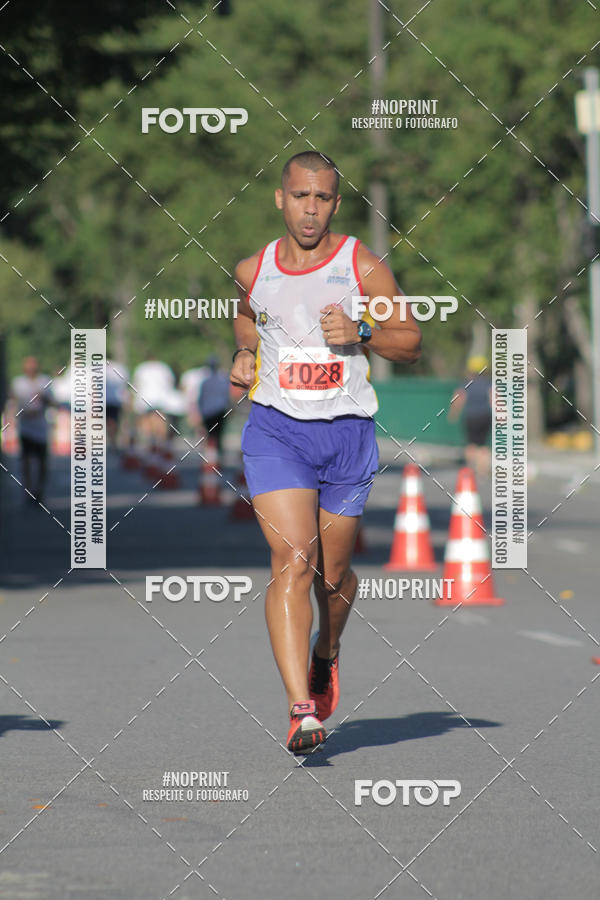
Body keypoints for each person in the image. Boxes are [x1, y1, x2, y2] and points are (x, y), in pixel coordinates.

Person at [229, 151, 421, 754]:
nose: (310, 209)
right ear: (279, 198)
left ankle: (327, 651)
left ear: (336, 203)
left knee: (331, 578)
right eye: (300, 196)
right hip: (276, 430)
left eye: (323, 198)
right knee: (292, 561)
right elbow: (245, 318)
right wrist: (244, 353)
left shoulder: (361, 266)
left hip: (346, 434)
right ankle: (300, 710)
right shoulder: (251, 268)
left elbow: (411, 342)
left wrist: (362, 332)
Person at [9, 356, 54, 504]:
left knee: (42, 461)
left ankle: (39, 490)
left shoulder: (44, 381)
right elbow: (13, 401)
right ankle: (28, 490)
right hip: (25, 427)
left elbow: (52, 402)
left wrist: (44, 398)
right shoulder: (18, 383)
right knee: (26, 460)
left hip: (41, 428)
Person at [448, 355, 493, 478]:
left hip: (471, 416)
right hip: (485, 416)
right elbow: (493, 399)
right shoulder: (488, 384)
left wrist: (453, 413)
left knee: (471, 444)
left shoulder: (465, 384)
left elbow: (459, 398)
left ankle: (471, 468)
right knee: (483, 445)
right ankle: (483, 470)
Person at [197, 356, 231, 454]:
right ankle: (216, 457)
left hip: (208, 412)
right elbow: (226, 397)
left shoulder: (205, 382)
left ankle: (211, 457)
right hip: (219, 411)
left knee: (210, 435)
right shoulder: (223, 380)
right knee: (218, 435)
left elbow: (201, 399)